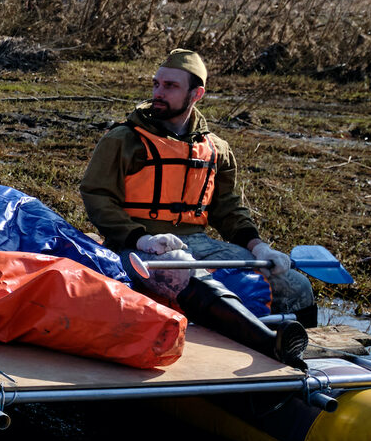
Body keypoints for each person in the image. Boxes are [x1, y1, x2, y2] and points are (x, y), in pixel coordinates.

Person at [80, 48, 313, 366]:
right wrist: (140, 238)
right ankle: (257, 339)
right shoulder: (123, 140)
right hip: (136, 246)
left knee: (295, 285)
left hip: (199, 243)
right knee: (184, 272)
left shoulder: (215, 148)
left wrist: (259, 248)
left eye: (170, 86)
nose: (158, 93)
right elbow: (97, 197)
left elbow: (228, 208)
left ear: (196, 93)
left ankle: (296, 357)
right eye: (156, 84)